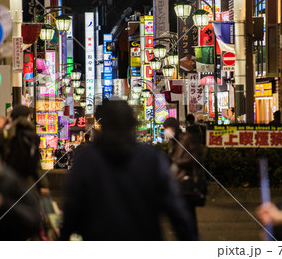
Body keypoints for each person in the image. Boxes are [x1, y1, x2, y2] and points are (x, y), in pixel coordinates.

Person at [60, 99, 196, 241]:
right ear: (131, 125)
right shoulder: (150, 158)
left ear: (102, 125)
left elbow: (72, 209)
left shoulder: (86, 159)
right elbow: (175, 209)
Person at [163, 117, 207, 238]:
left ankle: (192, 238)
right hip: (179, 184)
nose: (167, 131)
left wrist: (177, 162)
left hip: (189, 183)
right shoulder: (175, 141)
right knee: (184, 215)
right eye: (166, 129)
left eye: (169, 128)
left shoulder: (186, 138)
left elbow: (197, 157)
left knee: (188, 215)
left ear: (175, 128)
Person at [0, 105, 49, 196]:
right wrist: (43, 185)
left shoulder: (6, 132)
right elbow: (35, 162)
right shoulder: (31, 134)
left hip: (7, 179)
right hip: (27, 182)